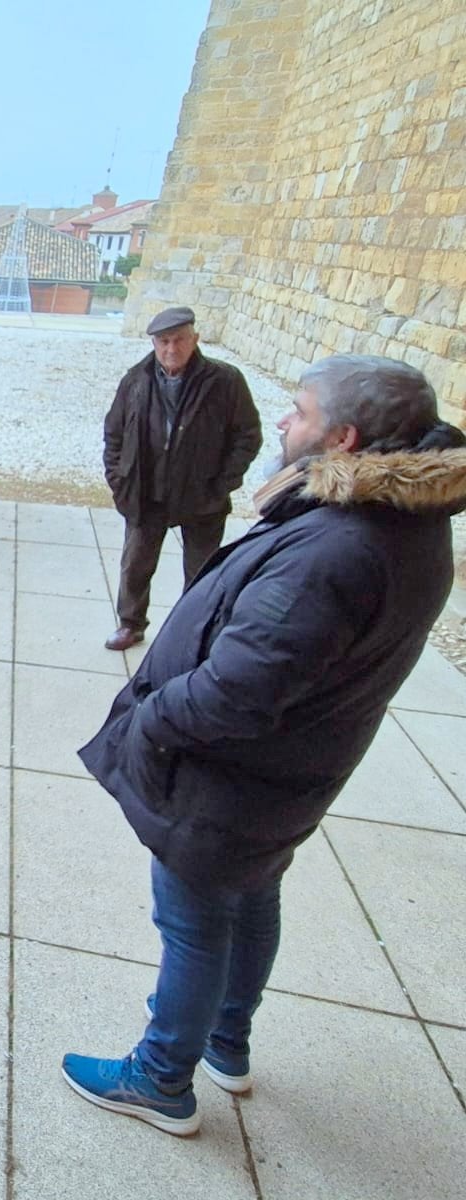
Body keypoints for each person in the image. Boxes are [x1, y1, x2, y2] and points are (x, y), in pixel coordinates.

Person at [62, 355, 466, 1136]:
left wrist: (152, 718)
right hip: (290, 770)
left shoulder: (340, 547)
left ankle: (161, 1078)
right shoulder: (402, 523)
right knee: (250, 893)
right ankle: (227, 1040)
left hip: (234, 775)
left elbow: (239, 689)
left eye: (301, 411)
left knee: (195, 917)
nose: (286, 422)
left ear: (344, 440)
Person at [102, 306, 262, 651]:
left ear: (195, 340)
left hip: (202, 496)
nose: (171, 349)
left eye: (179, 340)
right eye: (163, 342)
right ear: (154, 343)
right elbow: (113, 432)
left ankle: (192, 633)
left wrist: (222, 483)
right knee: (136, 566)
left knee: (202, 571)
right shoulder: (136, 379)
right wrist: (119, 479)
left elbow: (248, 436)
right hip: (147, 492)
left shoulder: (225, 381)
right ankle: (130, 624)